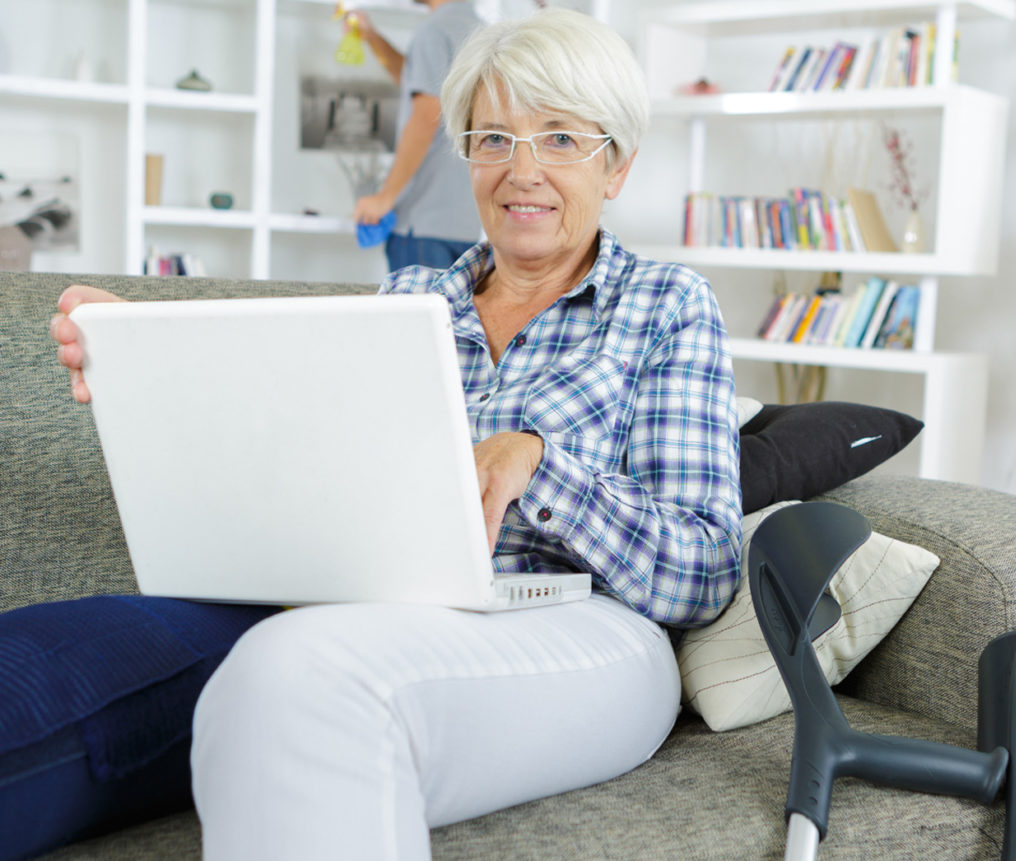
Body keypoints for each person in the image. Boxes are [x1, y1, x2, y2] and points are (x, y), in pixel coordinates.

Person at [37, 9, 741, 859]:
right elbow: (296, 460)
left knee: (294, 673)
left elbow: (706, 568)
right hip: (389, 611)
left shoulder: (668, 305)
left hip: (591, 627)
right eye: (492, 139)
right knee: (266, 679)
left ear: (616, 164)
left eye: (560, 139)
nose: (522, 171)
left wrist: (540, 466)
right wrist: (147, 355)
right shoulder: (412, 300)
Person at [351, 0, 482, 271]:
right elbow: (419, 81)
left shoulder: (433, 31)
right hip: (467, 226)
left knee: (415, 314)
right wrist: (372, 37)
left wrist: (385, 197)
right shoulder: (481, 33)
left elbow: (426, 115)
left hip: (422, 225)